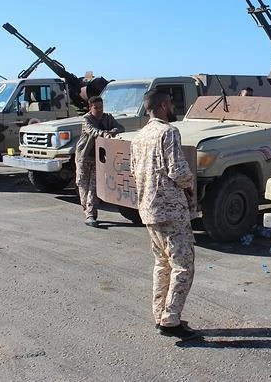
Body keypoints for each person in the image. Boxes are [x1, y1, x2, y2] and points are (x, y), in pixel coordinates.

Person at [130, 90, 198, 341]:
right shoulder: (168, 132)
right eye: (170, 103)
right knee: (183, 265)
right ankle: (170, 320)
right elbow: (178, 170)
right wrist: (190, 185)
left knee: (162, 264)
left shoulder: (139, 137)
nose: (173, 106)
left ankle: (161, 314)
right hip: (171, 211)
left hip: (149, 210)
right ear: (161, 106)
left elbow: (134, 171)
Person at [75, 96, 120, 227]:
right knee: (82, 184)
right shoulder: (86, 119)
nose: (99, 110)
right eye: (96, 108)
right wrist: (104, 133)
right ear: (90, 108)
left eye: (101, 107)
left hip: (98, 158)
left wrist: (113, 131)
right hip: (84, 156)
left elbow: (119, 127)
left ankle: (90, 213)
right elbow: (91, 130)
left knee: (93, 186)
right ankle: (87, 209)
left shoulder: (107, 118)